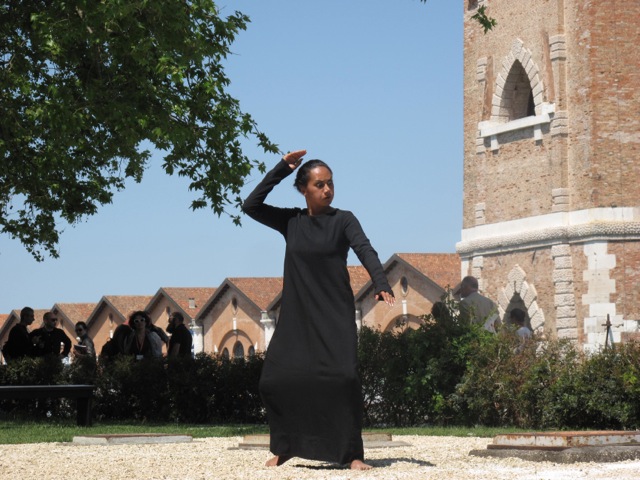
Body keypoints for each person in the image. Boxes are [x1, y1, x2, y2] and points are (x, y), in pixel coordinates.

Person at [242, 149, 395, 470]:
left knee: (344, 379)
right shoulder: (291, 222)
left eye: (331, 183)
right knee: (276, 380)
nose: (328, 190)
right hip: (298, 316)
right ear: (304, 189)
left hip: (334, 313)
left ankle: (351, 454)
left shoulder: (344, 220)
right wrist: (282, 168)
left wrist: (380, 281)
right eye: (320, 184)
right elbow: (251, 205)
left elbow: (365, 249)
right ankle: (287, 445)